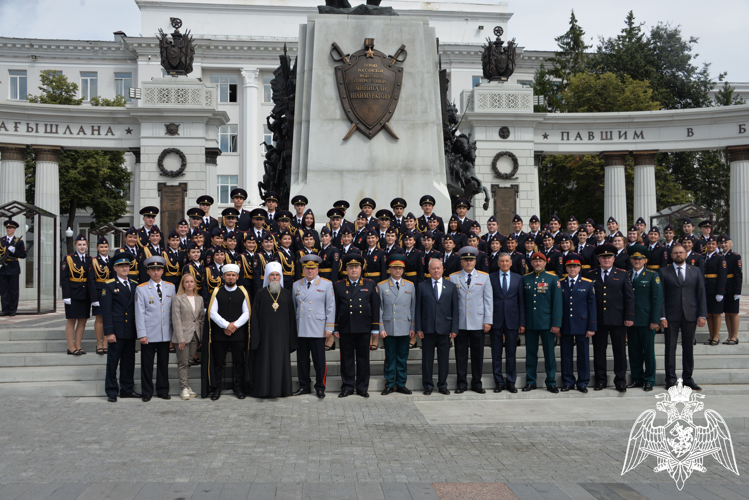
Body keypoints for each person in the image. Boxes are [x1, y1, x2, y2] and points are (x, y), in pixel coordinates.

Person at [659, 244, 708, 391]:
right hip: (671, 315)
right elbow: (660, 296)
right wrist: (662, 316)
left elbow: (701, 293)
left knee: (688, 348)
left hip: (690, 314)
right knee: (670, 348)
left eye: (681, 252)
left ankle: (687, 379)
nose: (678, 255)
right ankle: (670, 379)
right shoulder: (663, 271)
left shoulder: (696, 271)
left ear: (686, 254)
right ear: (671, 255)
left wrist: (702, 314)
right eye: (675, 253)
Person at [333, 254, 380, 397]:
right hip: (345, 327)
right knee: (346, 359)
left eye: (356, 267)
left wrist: (375, 327)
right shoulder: (338, 285)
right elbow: (334, 307)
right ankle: (347, 387)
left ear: (361, 269)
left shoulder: (370, 284)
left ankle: (362, 387)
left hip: (364, 327)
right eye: (351, 267)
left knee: (363, 359)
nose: (354, 270)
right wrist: (335, 327)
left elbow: (375, 306)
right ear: (346, 270)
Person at [590, 243, 635, 392]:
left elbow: (629, 297)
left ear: (614, 258)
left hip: (618, 319)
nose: (606, 260)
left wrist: (629, 316)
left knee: (620, 351)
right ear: (598, 259)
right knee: (599, 352)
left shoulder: (622, 274)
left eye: (609, 257)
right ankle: (600, 380)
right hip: (599, 320)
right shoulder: (591, 275)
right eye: (603, 257)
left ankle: (620, 380)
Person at [249, 262, 298, 398]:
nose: (275, 277)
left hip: (282, 338)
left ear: (281, 277)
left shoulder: (287, 294)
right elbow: (255, 319)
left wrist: (291, 339)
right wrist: (256, 338)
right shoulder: (259, 295)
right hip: (264, 338)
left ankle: (282, 390)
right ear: (267, 277)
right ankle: (263, 391)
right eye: (272, 275)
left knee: (280, 363)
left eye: (277, 275)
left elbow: (291, 318)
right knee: (264, 364)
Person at [449, 247, 493, 394]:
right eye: (466, 260)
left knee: (477, 355)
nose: (469, 262)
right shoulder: (453, 277)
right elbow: (451, 302)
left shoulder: (484, 277)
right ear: (461, 262)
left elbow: (488, 300)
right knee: (460, 355)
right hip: (460, 322)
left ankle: (477, 383)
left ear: (475, 261)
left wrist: (488, 320)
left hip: (478, 322)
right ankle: (461, 383)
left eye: (471, 260)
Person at [291, 255, 335, 399]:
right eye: (307, 268)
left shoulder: (326, 284)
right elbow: (294, 306)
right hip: (302, 328)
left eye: (313, 269)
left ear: (317, 270)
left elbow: (330, 307)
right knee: (302, 360)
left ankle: (320, 387)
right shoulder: (296, 285)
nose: (310, 271)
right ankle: (304, 386)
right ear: (303, 269)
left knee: (319, 361)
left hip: (318, 328)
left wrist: (329, 327)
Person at [100, 251, 140, 402]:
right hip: (116, 330)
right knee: (113, 361)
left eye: (127, 266)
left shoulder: (135, 284)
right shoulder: (109, 285)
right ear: (114, 268)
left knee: (128, 362)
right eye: (121, 266)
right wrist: (109, 331)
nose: (125, 268)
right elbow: (106, 310)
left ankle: (127, 389)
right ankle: (111, 390)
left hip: (130, 330)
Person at [415, 258, 459, 395]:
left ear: (442, 269)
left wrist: (454, 328)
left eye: (438, 268)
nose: (436, 270)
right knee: (427, 359)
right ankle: (428, 385)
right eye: (433, 268)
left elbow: (455, 309)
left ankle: (442, 385)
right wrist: (418, 328)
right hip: (427, 328)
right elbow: (418, 309)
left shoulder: (451, 286)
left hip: (445, 328)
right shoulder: (422, 286)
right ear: (429, 271)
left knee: (443, 359)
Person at [207, 263, 251, 400]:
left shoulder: (243, 291)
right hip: (220, 334)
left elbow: (247, 312)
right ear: (223, 276)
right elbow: (212, 312)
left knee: (239, 363)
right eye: (228, 275)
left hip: (238, 334)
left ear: (237, 277)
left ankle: (239, 388)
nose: (230, 277)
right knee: (218, 362)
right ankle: (217, 389)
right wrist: (226, 325)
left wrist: (234, 326)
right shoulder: (216, 291)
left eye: (233, 275)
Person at [136, 256, 175, 402]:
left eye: (158, 269)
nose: (156, 272)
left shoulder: (170, 287)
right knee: (147, 364)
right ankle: (147, 391)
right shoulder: (142, 288)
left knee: (163, 364)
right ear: (148, 272)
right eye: (153, 270)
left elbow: (172, 311)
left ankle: (163, 390)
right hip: (149, 332)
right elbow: (139, 312)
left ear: (163, 271)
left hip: (165, 332)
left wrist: (174, 333)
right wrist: (142, 334)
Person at [522, 252, 562, 393]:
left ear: (545, 263)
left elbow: (557, 303)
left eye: (541, 261)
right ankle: (530, 381)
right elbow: (522, 302)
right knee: (530, 354)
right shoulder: (526, 278)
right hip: (530, 322)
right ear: (531, 263)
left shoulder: (552, 278)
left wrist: (556, 323)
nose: (538, 263)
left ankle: (550, 382)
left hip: (547, 323)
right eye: (535, 261)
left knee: (549, 354)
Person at [378, 255, 417, 395]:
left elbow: (413, 308)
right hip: (389, 327)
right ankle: (389, 383)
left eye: (400, 268)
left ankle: (401, 383)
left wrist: (413, 327)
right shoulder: (381, 286)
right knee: (390, 357)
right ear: (389, 269)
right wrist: (381, 328)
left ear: (403, 270)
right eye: (395, 268)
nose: (397, 270)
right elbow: (380, 309)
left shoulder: (410, 285)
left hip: (405, 326)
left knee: (402, 357)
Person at [626, 245, 663, 392]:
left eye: (640, 259)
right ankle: (637, 378)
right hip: (631, 320)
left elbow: (657, 299)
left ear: (645, 260)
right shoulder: (627, 275)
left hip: (647, 320)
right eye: (634, 258)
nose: (637, 261)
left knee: (648, 351)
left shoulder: (652, 275)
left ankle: (649, 379)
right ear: (631, 260)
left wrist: (655, 320)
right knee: (634, 351)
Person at [559, 253, 596, 393]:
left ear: (580, 268)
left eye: (575, 266)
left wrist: (592, 326)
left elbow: (592, 307)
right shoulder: (560, 283)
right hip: (566, 324)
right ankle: (568, 382)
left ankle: (582, 382)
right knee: (566, 354)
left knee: (583, 355)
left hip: (582, 324)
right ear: (566, 268)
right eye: (570, 266)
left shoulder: (587, 283)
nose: (572, 269)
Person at [488, 253, 525, 393]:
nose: (504, 263)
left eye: (507, 261)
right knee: (496, 353)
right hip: (496, 320)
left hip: (512, 320)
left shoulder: (518, 278)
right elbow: (488, 300)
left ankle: (511, 382)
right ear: (498, 263)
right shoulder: (490, 277)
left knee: (511, 353)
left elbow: (521, 302)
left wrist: (522, 322)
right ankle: (498, 382)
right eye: (502, 261)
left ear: (511, 263)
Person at [61, 234, 97, 355]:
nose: (82, 247)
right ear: (75, 245)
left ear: (87, 246)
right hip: (73, 293)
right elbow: (64, 278)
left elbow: (92, 279)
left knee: (83, 321)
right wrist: (66, 295)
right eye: (79, 245)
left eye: (84, 245)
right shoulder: (69, 258)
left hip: (85, 294)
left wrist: (93, 296)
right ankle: (71, 347)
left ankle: (78, 346)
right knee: (71, 320)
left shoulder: (90, 259)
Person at [171, 273, 205, 400]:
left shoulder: (199, 299)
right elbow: (176, 320)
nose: (189, 284)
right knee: (183, 363)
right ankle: (183, 388)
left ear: (195, 283)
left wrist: (201, 337)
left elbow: (201, 319)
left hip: (195, 335)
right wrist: (180, 339)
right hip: (183, 336)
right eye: (187, 282)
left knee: (189, 362)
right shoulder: (178, 299)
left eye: (191, 281)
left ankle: (186, 386)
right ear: (183, 284)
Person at [702, 235, 727, 346]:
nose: (711, 245)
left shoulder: (720, 257)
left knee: (716, 314)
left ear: (716, 245)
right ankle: (711, 335)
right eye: (709, 244)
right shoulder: (704, 257)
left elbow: (723, 275)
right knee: (709, 314)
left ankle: (716, 337)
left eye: (713, 244)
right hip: (706, 289)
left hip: (716, 289)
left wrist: (720, 291)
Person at [90, 236, 112, 355]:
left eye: (105, 246)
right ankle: (99, 343)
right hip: (98, 292)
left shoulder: (111, 260)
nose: (104, 248)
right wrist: (94, 297)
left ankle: (105, 343)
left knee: (107, 318)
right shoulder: (94, 261)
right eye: (101, 247)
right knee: (99, 319)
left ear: (108, 247)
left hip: (108, 292)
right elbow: (91, 280)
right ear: (97, 248)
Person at [0, 220, 27, 316]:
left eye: (10, 228)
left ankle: (12, 310)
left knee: (14, 290)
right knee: (3, 290)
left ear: (14, 230)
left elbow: (23, 255)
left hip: (13, 268)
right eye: (7, 228)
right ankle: (5, 309)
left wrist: (15, 251)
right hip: (3, 268)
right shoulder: (1, 240)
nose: (8, 229)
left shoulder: (19, 242)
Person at [719, 234, 742, 345]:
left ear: (730, 243)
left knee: (733, 312)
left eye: (726, 242)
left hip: (732, 287)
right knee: (727, 313)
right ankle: (729, 336)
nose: (724, 245)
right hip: (723, 288)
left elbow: (738, 274)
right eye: (722, 243)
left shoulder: (735, 256)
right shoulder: (719, 256)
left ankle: (735, 336)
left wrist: (737, 291)